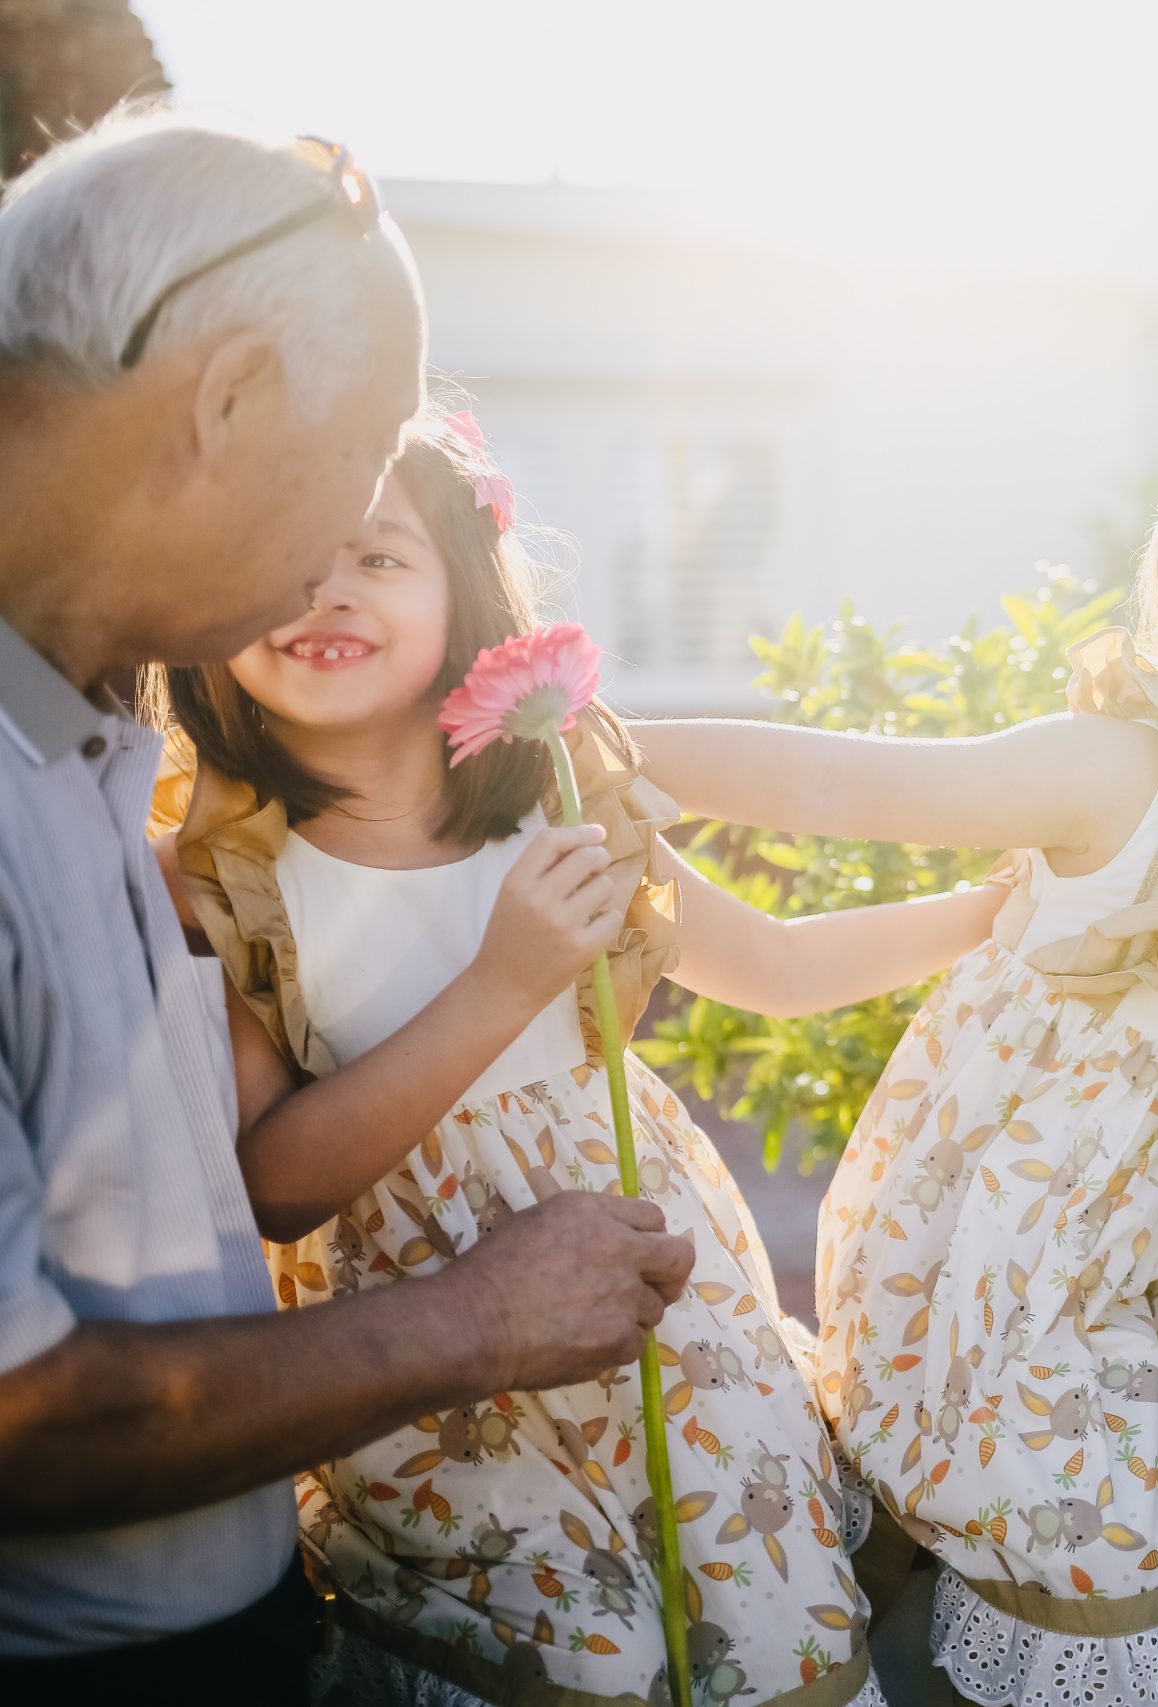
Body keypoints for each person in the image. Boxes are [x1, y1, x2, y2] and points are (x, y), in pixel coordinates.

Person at [146, 414, 1011, 1704]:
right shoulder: (219, 875)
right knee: (572, 1662)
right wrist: (505, 980)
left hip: (668, 1313)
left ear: (464, 593)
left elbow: (772, 967)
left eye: (377, 558)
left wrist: (995, 918)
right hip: (440, 1370)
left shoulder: (558, 795)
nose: (325, 589)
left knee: (759, 1632)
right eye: (284, 554)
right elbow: (276, 1183)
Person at [0, 110, 694, 1702]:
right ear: (225, 399)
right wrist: (475, 1319)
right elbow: (20, 1415)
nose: (341, 553)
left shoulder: (95, 725)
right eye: (359, 463)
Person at [630, 431, 1158, 1707]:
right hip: (1012, 1297)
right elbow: (844, 779)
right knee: (1129, 1585)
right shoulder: (1135, 776)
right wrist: (612, 744)